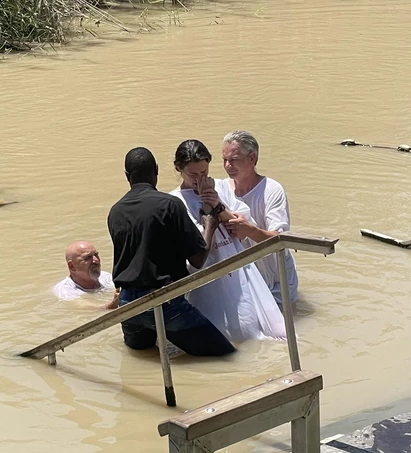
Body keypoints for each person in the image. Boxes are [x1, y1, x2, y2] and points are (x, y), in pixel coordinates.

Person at [105, 146, 236, 357]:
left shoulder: (115, 212)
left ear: (127, 176)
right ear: (156, 170)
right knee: (226, 356)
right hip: (165, 303)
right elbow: (198, 258)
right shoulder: (170, 205)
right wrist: (210, 223)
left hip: (127, 306)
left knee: (144, 361)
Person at [170, 139, 286, 341]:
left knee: (262, 329)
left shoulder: (221, 187)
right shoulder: (175, 201)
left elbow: (242, 222)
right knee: (219, 336)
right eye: (193, 175)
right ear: (178, 169)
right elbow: (195, 245)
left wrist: (217, 205)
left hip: (240, 270)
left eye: (204, 173)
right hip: (208, 278)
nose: (199, 180)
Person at [218, 130, 299, 305]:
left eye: (234, 160)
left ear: (252, 159)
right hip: (243, 281)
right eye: (224, 160)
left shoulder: (271, 190)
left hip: (277, 281)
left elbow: (281, 240)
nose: (227, 166)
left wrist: (250, 231)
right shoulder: (221, 189)